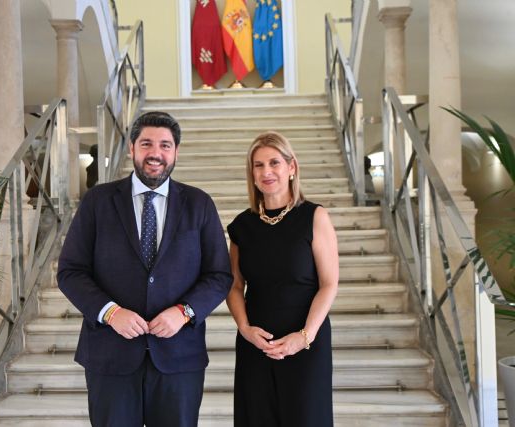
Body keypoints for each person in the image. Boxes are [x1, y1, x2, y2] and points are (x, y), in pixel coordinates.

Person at [57, 111, 233, 427]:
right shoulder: (98, 201)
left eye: (165, 145)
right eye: (147, 143)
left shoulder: (199, 204)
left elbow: (219, 275)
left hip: (179, 357)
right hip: (110, 354)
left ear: (176, 152)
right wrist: (110, 312)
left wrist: (185, 312)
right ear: (132, 148)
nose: (156, 153)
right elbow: (70, 270)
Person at [225, 131, 339, 426]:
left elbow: (328, 284)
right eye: (258, 165)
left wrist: (304, 337)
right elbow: (235, 286)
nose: (266, 172)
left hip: (306, 341)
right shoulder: (241, 226)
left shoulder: (314, 217)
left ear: (292, 167)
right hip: (256, 343)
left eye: (274, 163)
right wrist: (245, 328)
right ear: (251, 173)